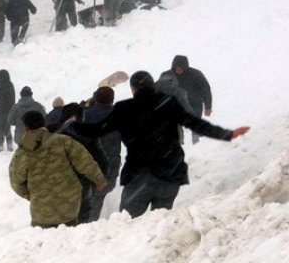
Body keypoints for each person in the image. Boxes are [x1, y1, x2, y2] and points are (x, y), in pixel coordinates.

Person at [73, 71, 249, 218]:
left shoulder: (124, 109)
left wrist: (71, 123)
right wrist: (227, 134)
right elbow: (195, 123)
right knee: (161, 223)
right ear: (153, 86)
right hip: (170, 173)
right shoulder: (168, 103)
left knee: (127, 226)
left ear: (133, 89)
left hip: (139, 176)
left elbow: (95, 131)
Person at [9, 110, 107, 228]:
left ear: (26, 129)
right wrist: (99, 180)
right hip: (70, 205)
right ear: (44, 124)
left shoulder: (22, 152)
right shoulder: (63, 141)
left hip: (42, 212)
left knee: (43, 239)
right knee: (68, 235)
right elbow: (85, 161)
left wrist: (33, 195)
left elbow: (16, 182)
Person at [83, 86, 120, 221]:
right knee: (99, 195)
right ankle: (91, 222)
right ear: (112, 99)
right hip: (111, 163)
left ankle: (87, 224)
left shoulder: (85, 115)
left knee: (88, 195)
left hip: (89, 162)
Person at [171, 55, 213, 145]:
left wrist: (208, 107)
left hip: (195, 103)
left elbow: (206, 89)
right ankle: (179, 143)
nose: (178, 71)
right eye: (176, 68)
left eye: (180, 68)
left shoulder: (196, 75)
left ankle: (196, 143)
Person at [0, 69, 16, 152]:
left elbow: (3, 99)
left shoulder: (2, 87)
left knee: (1, 128)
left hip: (3, 110)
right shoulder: (9, 86)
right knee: (6, 127)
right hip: (6, 110)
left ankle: (1, 145)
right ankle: (9, 144)